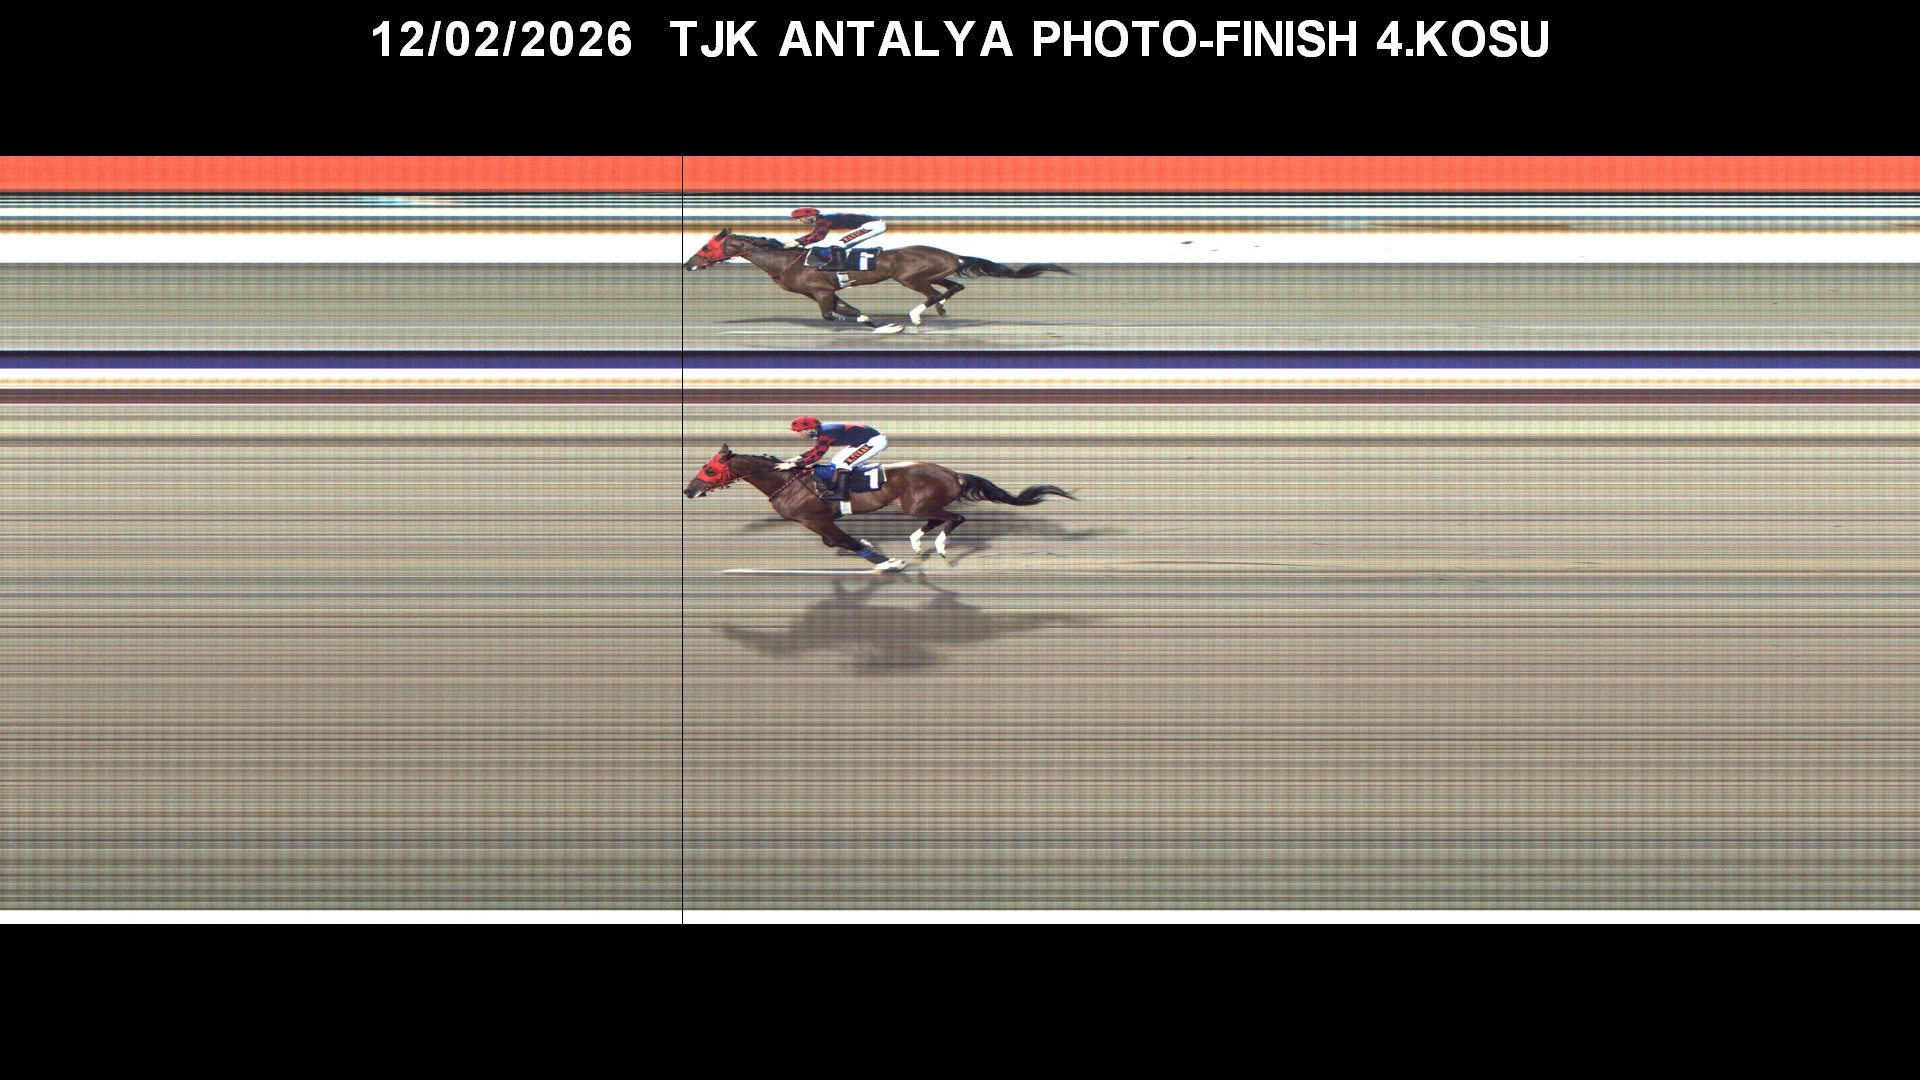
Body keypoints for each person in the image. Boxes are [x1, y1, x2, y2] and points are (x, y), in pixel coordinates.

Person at [776, 415, 888, 504]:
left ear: (809, 429)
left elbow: (816, 456)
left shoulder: (826, 434)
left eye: (799, 431)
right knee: (836, 461)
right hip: (864, 440)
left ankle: (842, 493)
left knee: (844, 464)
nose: (798, 434)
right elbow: (817, 449)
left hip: (875, 441)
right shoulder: (822, 431)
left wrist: (792, 465)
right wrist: (799, 457)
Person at [788, 208, 888, 270]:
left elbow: (819, 237)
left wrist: (799, 243)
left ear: (808, 216)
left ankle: (837, 266)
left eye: (799, 218)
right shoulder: (822, 218)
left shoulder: (822, 219)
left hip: (873, 225)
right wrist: (796, 241)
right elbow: (814, 234)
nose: (799, 221)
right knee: (841, 245)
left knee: (839, 244)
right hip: (873, 224)